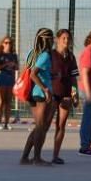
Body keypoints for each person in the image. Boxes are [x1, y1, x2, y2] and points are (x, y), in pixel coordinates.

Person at [20, 28, 56, 165]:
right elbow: (33, 74)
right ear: (49, 40)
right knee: (41, 127)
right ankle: (37, 158)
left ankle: (25, 157)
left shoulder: (32, 53)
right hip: (41, 94)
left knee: (38, 127)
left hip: (32, 93)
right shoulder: (46, 55)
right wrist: (46, 89)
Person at [49, 29, 79, 164]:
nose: (66, 41)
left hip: (65, 95)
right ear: (57, 39)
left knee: (61, 125)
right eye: (63, 38)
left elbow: (74, 78)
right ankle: (33, 153)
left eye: (68, 38)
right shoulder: (50, 55)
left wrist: (74, 94)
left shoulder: (71, 57)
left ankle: (55, 155)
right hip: (52, 94)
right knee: (44, 125)